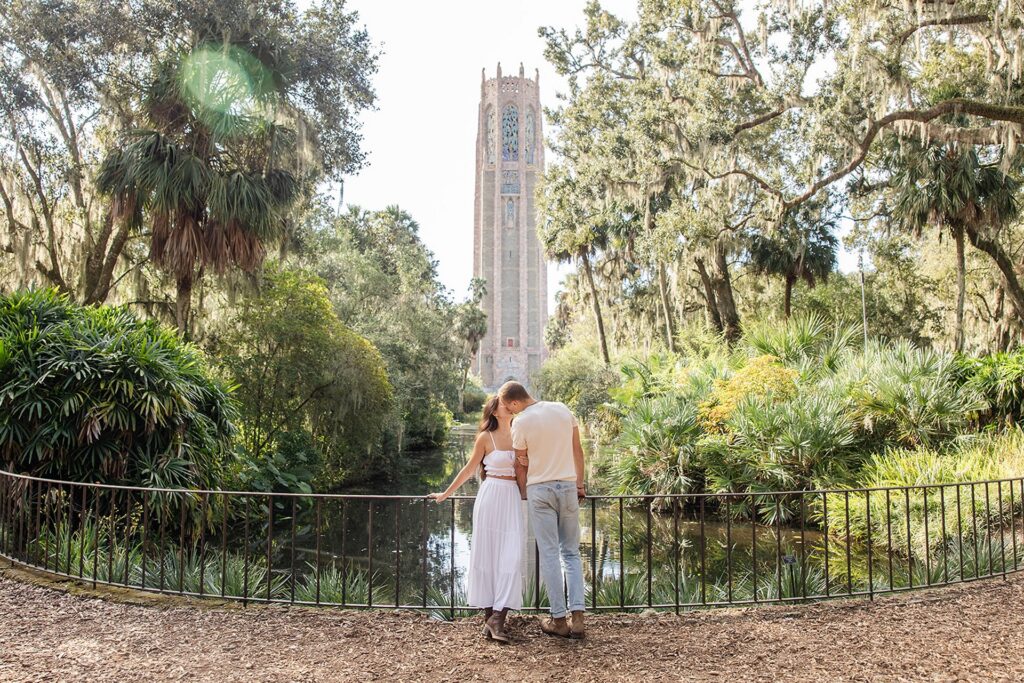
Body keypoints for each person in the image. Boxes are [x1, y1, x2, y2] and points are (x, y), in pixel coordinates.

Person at [429, 395, 523, 643]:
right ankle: (492, 619)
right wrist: (445, 493)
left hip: (512, 497)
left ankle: (496, 619)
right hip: (491, 496)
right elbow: (469, 469)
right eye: (505, 403)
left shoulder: (520, 433)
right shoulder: (485, 438)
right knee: (488, 556)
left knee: (511, 557)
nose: (511, 405)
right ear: (495, 412)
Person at [499, 380, 586, 639]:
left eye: (508, 408)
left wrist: (524, 492)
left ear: (515, 402)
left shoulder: (521, 422)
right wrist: (579, 484)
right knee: (571, 553)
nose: (510, 412)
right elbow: (577, 450)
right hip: (568, 486)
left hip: (540, 490)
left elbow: (520, 463)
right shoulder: (562, 409)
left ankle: (559, 621)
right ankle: (578, 618)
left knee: (549, 554)